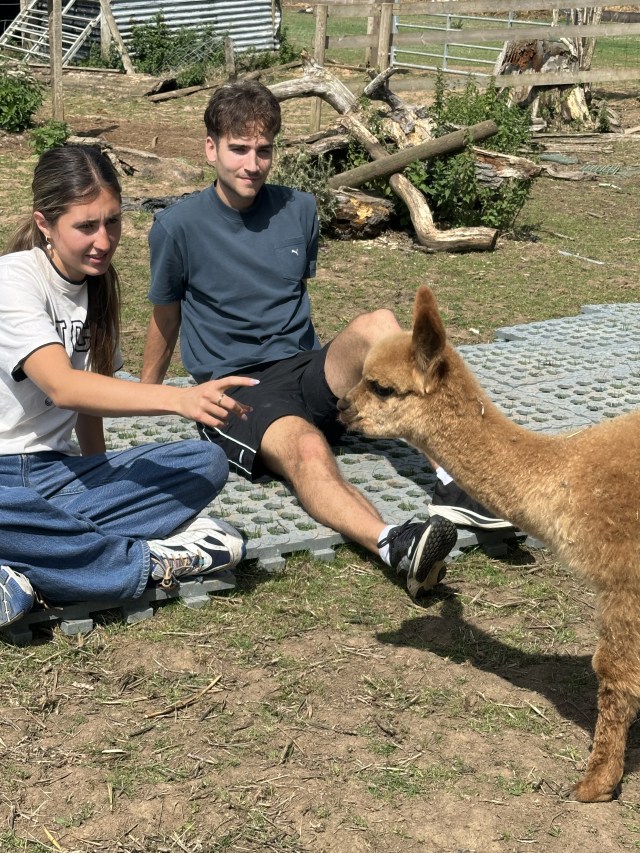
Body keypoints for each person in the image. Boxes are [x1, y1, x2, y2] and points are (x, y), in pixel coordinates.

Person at [141, 81, 506, 601]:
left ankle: (458, 480)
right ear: (211, 149)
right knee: (308, 450)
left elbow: (293, 288)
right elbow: (164, 315)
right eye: (238, 149)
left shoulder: (300, 209)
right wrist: (150, 394)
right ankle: (393, 545)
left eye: (263, 150)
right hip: (240, 389)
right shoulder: (175, 227)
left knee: (381, 323)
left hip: (308, 367)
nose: (252, 164)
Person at [0, 144, 259, 630]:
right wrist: (178, 399)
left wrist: (101, 474)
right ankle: (149, 563)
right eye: (86, 226)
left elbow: (89, 402)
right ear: (44, 223)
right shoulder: (12, 281)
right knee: (13, 513)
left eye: (113, 222)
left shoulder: (98, 284)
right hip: (4, 480)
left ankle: (25, 567)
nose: (104, 240)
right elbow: (65, 388)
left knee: (203, 463)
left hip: (57, 477)